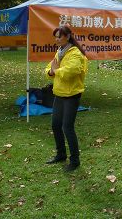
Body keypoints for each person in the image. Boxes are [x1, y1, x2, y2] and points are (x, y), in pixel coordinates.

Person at [45, 25, 88, 172]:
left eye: (60, 36)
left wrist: (55, 70)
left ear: (68, 36)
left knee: (67, 127)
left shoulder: (75, 53)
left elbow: (72, 71)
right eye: (55, 36)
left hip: (72, 95)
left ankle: (75, 160)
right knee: (56, 125)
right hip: (59, 94)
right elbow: (50, 67)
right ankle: (61, 154)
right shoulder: (60, 51)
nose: (57, 39)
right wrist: (51, 72)